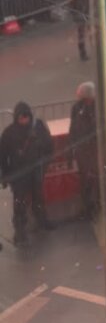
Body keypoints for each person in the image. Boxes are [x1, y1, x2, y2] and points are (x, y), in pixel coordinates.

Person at [0, 101, 55, 246]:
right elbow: (3, 156)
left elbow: (49, 145)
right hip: (19, 174)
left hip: (36, 170)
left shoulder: (38, 127)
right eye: (21, 117)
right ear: (16, 117)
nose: (24, 119)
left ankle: (42, 221)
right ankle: (20, 232)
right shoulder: (9, 133)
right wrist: (5, 175)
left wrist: (45, 162)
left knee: (38, 198)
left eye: (26, 116)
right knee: (19, 203)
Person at [68, 82, 99, 219]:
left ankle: (96, 206)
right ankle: (88, 208)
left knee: (96, 180)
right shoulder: (76, 108)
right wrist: (70, 152)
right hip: (83, 152)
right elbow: (72, 130)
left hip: (94, 150)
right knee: (85, 181)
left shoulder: (97, 108)